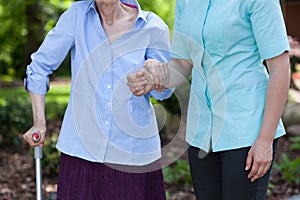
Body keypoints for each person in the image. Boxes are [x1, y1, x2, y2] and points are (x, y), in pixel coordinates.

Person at [127, 0, 291, 199]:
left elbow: (280, 68)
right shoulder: (186, 2)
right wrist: (153, 78)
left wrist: (265, 140)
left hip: (246, 130)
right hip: (202, 132)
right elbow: (182, 63)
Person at [22, 0, 173, 199]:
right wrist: (39, 122)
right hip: (81, 153)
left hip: (133, 155)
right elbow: (39, 67)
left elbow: (164, 93)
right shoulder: (76, 16)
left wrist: (153, 79)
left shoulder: (152, 27)